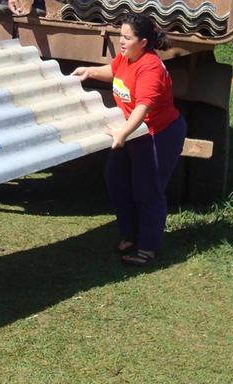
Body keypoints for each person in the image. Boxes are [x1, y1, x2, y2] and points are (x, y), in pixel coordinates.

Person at [72, 14, 187, 266]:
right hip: (134, 130)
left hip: (159, 134)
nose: (120, 41)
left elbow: (142, 109)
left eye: (126, 37)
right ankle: (131, 234)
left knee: (148, 190)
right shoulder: (127, 57)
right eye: (120, 35)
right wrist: (89, 71)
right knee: (116, 178)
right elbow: (114, 71)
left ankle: (147, 247)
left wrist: (122, 134)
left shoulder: (151, 68)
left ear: (143, 42)